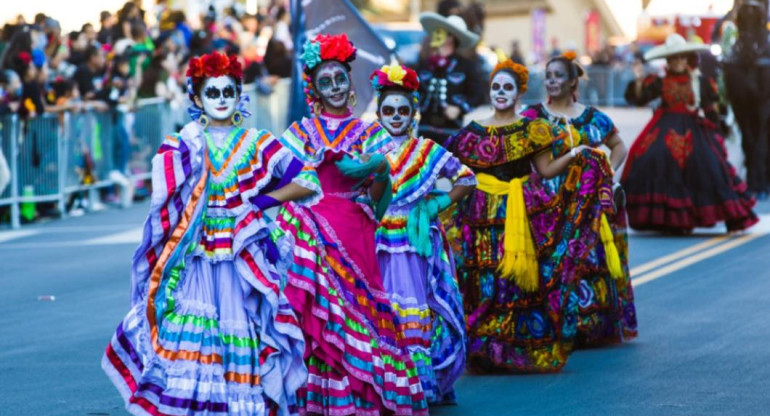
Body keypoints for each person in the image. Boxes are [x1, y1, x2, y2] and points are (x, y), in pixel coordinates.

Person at [101, 51, 317, 416]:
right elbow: (164, 200)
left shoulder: (257, 143)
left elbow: (307, 179)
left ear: (239, 96)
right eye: (212, 93)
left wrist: (262, 202)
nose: (220, 100)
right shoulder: (182, 143)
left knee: (241, 333)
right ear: (197, 98)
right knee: (190, 335)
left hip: (241, 259)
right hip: (196, 255)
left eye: (228, 92)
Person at [276, 34, 428, 415]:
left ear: (350, 81)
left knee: (360, 312)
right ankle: (320, 401)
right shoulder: (299, 133)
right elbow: (285, 182)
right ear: (314, 88)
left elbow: (380, 199)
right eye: (325, 82)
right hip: (309, 231)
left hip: (354, 228)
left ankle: (362, 396)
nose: (335, 89)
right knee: (316, 315)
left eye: (340, 79)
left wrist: (377, 171)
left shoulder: (369, 132)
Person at [445, 59, 590, 373]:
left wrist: (575, 155)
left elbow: (547, 169)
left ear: (519, 93)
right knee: (483, 280)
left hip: (522, 212)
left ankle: (513, 350)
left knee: (514, 283)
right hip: (480, 214)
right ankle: (483, 350)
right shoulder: (472, 132)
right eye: (496, 87)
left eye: (507, 87)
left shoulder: (533, 129)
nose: (500, 92)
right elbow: (455, 173)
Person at [371, 63, 475, 404]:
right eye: (389, 110)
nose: (396, 116)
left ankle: (418, 383)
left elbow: (465, 178)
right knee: (381, 308)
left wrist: (436, 205)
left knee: (418, 305)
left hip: (416, 242)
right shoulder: (367, 149)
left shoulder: (427, 150)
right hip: (378, 240)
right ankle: (388, 382)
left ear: (414, 113)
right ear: (379, 112)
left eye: (403, 110)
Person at [522, 51, 638, 348]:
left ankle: (588, 326)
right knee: (551, 258)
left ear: (573, 80)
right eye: (548, 77)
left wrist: (607, 175)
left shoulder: (592, 117)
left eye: (558, 76)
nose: (551, 82)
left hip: (587, 202)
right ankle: (554, 324)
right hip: (548, 200)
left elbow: (618, 146)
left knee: (588, 257)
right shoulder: (533, 117)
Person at [622, 34, 758, 233]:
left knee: (710, 165)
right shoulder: (659, 82)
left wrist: (717, 136)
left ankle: (725, 216)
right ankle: (667, 220)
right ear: (668, 61)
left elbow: (710, 110)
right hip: (664, 126)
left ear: (687, 59)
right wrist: (639, 80)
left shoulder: (701, 82)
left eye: (681, 57)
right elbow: (640, 100)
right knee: (651, 157)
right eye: (673, 58)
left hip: (694, 129)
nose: (677, 61)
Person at [416, 12, 484, 145]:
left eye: (443, 32)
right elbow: (415, 89)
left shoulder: (466, 66)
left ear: (452, 37)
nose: (437, 35)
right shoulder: (425, 63)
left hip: (451, 131)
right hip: (425, 129)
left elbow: (479, 95)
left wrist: (460, 108)